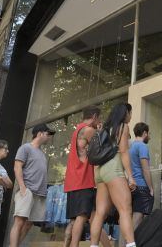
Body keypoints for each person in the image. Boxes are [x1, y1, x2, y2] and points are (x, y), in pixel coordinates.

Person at [89, 103, 137, 247]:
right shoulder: (123, 126)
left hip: (100, 171)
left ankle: (93, 245)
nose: (131, 116)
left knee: (100, 213)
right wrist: (130, 176)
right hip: (113, 168)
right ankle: (131, 245)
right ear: (125, 113)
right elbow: (123, 152)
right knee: (125, 209)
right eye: (130, 112)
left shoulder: (104, 128)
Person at [63, 105, 111, 247]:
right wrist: (101, 130)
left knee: (94, 217)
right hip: (83, 179)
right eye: (99, 118)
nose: (99, 121)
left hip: (74, 179)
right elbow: (103, 147)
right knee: (81, 217)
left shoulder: (78, 129)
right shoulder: (89, 130)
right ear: (95, 117)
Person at [9, 124, 55, 247]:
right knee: (19, 221)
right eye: (47, 134)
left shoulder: (41, 153)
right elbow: (17, 167)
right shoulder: (25, 148)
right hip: (27, 190)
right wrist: (23, 187)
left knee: (29, 224)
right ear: (40, 133)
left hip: (39, 193)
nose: (49, 137)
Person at [129, 122, 154, 228]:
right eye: (149, 133)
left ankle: (130, 242)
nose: (149, 136)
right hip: (141, 186)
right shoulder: (142, 146)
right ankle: (130, 243)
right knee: (137, 219)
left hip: (131, 186)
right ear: (144, 133)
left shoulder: (130, 147)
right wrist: (151, 188)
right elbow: (145, 169)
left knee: (132, 219)